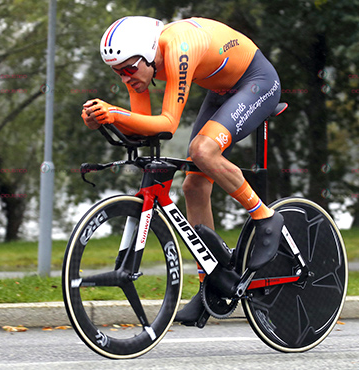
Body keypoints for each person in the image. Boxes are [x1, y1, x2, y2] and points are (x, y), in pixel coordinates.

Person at [82, 16, 284, 325]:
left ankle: (265, 216)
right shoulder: (143, 68)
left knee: (203, 150)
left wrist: (114, 112)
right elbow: (144, 128)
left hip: (257, 82)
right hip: (222, 91)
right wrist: (104, 119)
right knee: (192, 186)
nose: (126, 78)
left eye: (129, 69)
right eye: (117, 72)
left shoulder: (178, 48)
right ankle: (211, 285)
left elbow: (167, 124)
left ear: (149, 53)